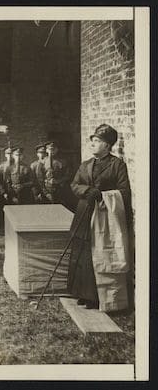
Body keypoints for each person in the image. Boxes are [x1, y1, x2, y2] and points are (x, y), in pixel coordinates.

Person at [68, 124, 132, 311]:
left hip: (104, 217)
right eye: (92, 141)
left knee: (98, 252)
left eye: (97, 141)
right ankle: (80, 292)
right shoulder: (86, 165)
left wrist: (104, 195)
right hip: (84, 213)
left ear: (107, 145)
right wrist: (87, 191)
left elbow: (124, 192)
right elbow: (74, 184)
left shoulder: (117, 165)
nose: (93, 144)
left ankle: (96, 297)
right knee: (82, 251)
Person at [41, 140, 72, 207]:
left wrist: (58, 181)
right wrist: (45, 192)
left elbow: (68, 175)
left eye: (53, 149)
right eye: (49, 149)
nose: (51, 151)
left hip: (59, 189)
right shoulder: (42, 162)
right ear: (46, 150)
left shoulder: (62, 162)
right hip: (46, 190)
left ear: (57, 150)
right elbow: (39, 178)